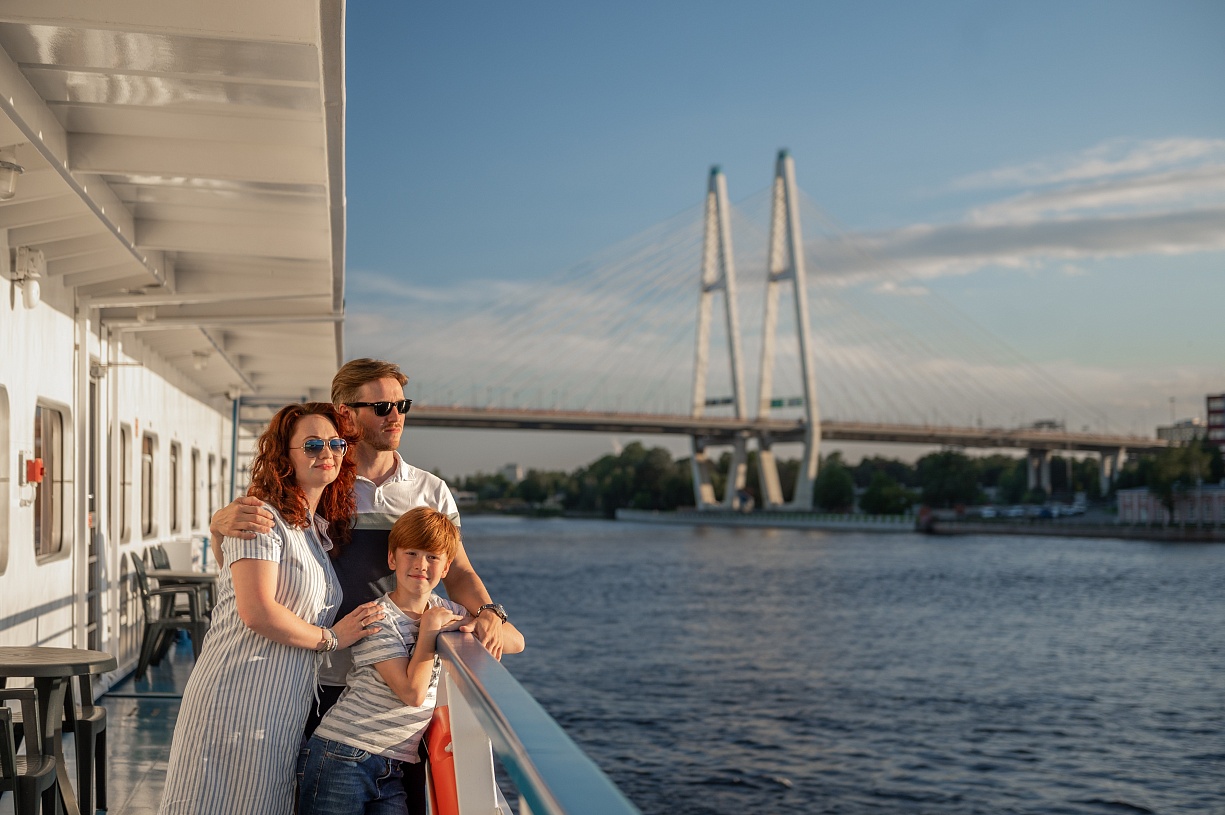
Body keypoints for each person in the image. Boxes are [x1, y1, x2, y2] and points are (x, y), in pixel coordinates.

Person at [210, 360, 509, 796]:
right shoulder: (322, 479)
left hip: (390, 683)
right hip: (313, 674)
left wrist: (488, 611)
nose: (396, 415)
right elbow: (265, 536)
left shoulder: (429, 491)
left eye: (402, 404)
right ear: (345, 413)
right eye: (382, 406)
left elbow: (458, 569)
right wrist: (218, 524)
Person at [160, 403, 386, 815]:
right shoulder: (261, 517)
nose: (327, 453)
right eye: (312, 445)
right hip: (235, 697)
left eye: (335, 444)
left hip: (279, 706)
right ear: (285, 456)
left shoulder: (314, 531)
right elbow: (257, 611)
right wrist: (332, 638)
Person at [296, 508, 524, 815]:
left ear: (446, 567)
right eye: (411, 553)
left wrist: (476, 621)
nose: (420, 565)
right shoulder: (377, 618)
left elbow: (516, 642)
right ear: (393, 559)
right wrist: (429, 631)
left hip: (393, 764)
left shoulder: (444, 610)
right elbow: (412, 693)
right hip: (343, 754)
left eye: (432, 557)